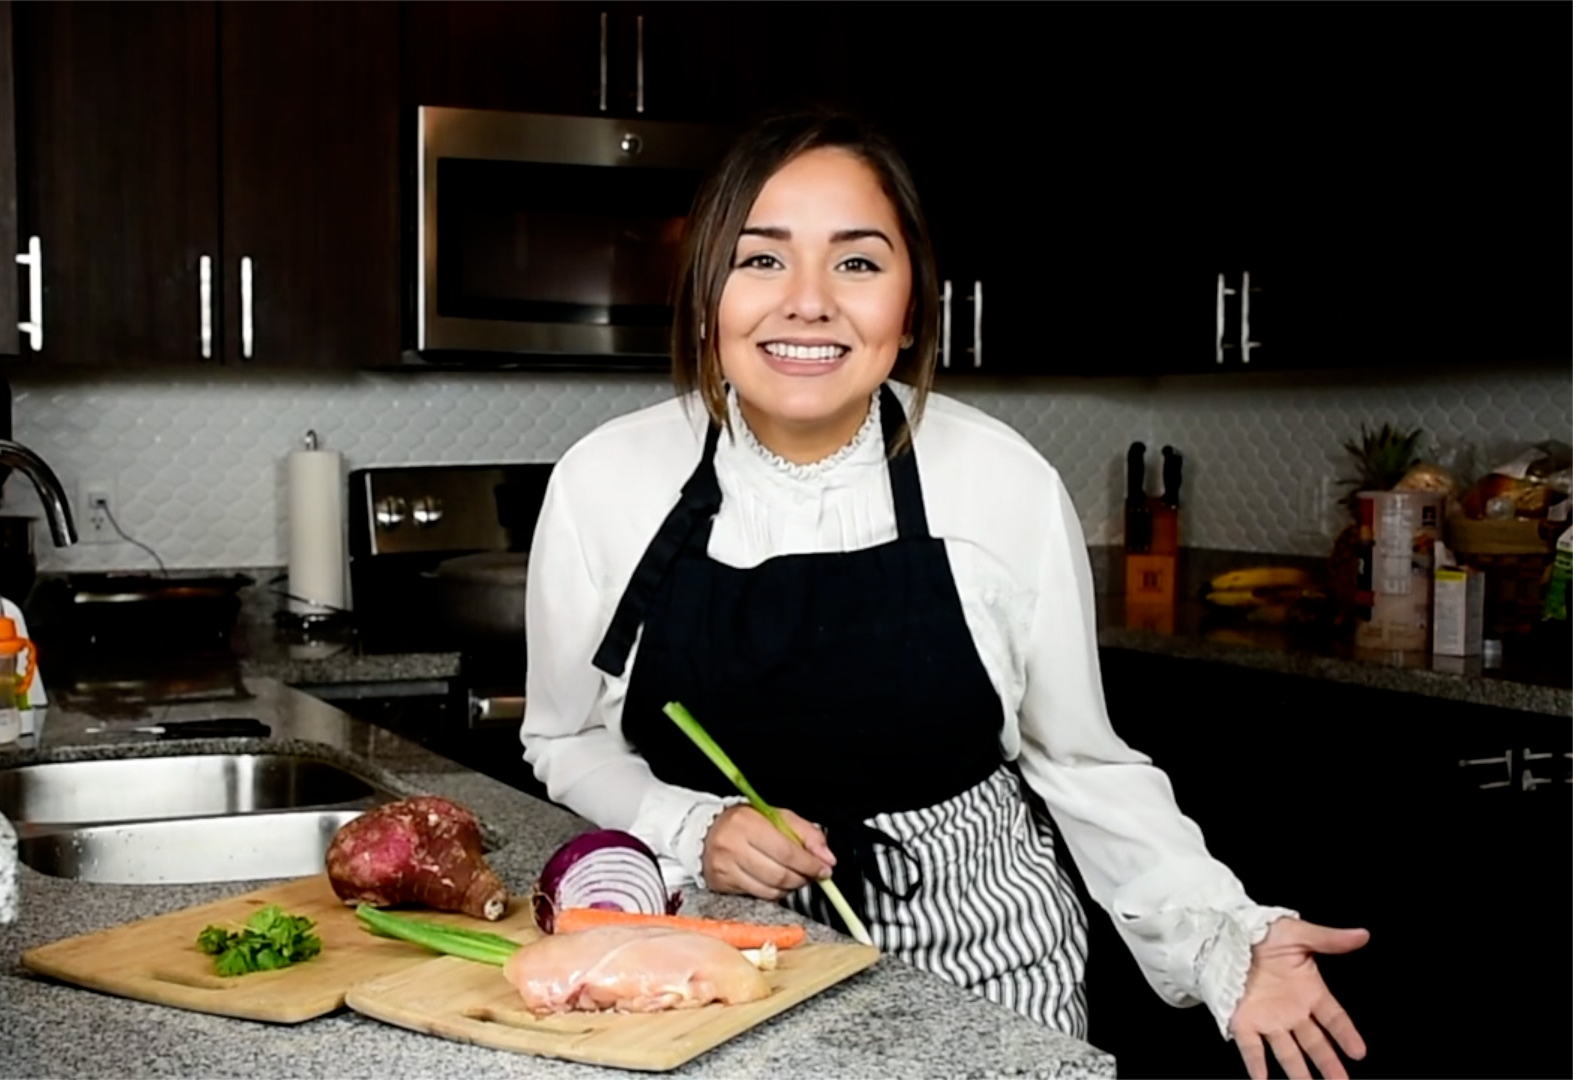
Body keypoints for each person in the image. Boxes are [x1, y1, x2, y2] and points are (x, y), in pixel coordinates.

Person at [520, 110, 1368, 1080]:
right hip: (713, 965)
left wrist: (1222, 936)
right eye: (761, 260)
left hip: (986, 962)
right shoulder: (606, 484)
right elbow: (566, 738)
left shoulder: (1002, 483)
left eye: (857, 262)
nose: (808, 302)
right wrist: (693, 826)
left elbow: (1082, 765)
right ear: (705, 296)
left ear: (916, 306)